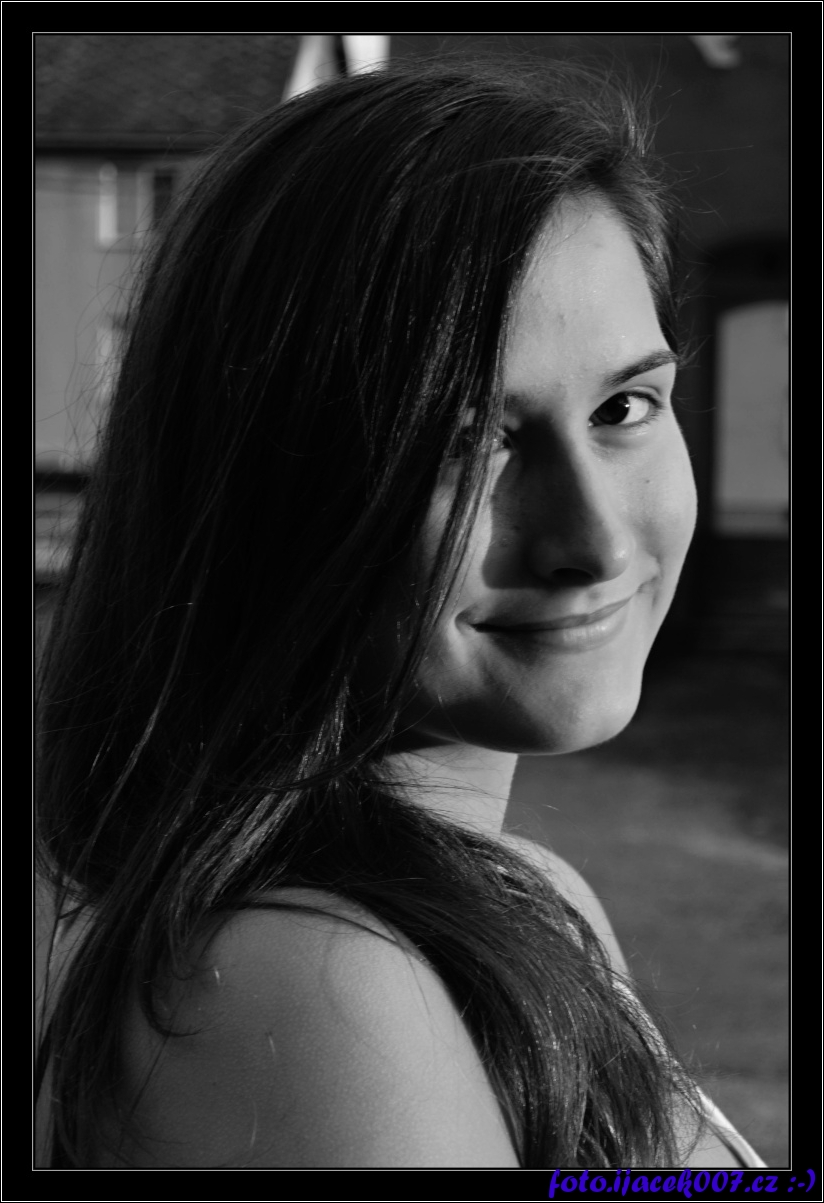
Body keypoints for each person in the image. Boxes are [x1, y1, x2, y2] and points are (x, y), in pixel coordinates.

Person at [35, 59, 765, 1170]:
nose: (597, 542)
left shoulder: (516, 900)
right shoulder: (315, 988)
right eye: (462, 443)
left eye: (624, 406)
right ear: (262, 486)